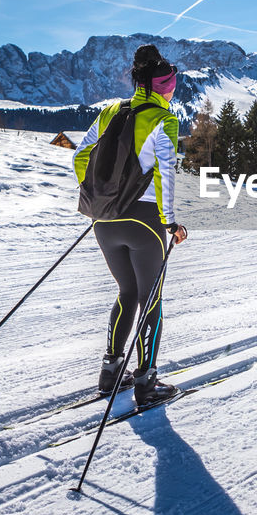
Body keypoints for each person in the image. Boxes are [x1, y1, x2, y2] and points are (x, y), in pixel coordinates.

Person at [73, 44, 187, 407]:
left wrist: (101, 196)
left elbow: (81, 155)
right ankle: (146, 383)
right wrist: (170, 222)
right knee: (149, 299)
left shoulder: (111, 111)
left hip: (104, 220)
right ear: (159, 87)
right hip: (145, 223)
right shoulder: (163, 120)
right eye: (169, 85)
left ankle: (110, 373)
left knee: (126, 292)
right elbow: (165, 174)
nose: (172, 90)